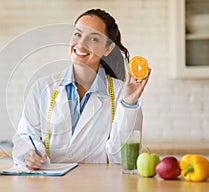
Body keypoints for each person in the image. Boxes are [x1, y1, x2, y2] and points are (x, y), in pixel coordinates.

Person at [12, 9, 151, 170]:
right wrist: (31, 154)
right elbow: (25, 136)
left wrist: (128, 103)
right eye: (77, 34)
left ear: (107, 48)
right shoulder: (42, 88)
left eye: (93, 38)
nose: (81, 44)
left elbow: (122, 158)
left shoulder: (121, 93)